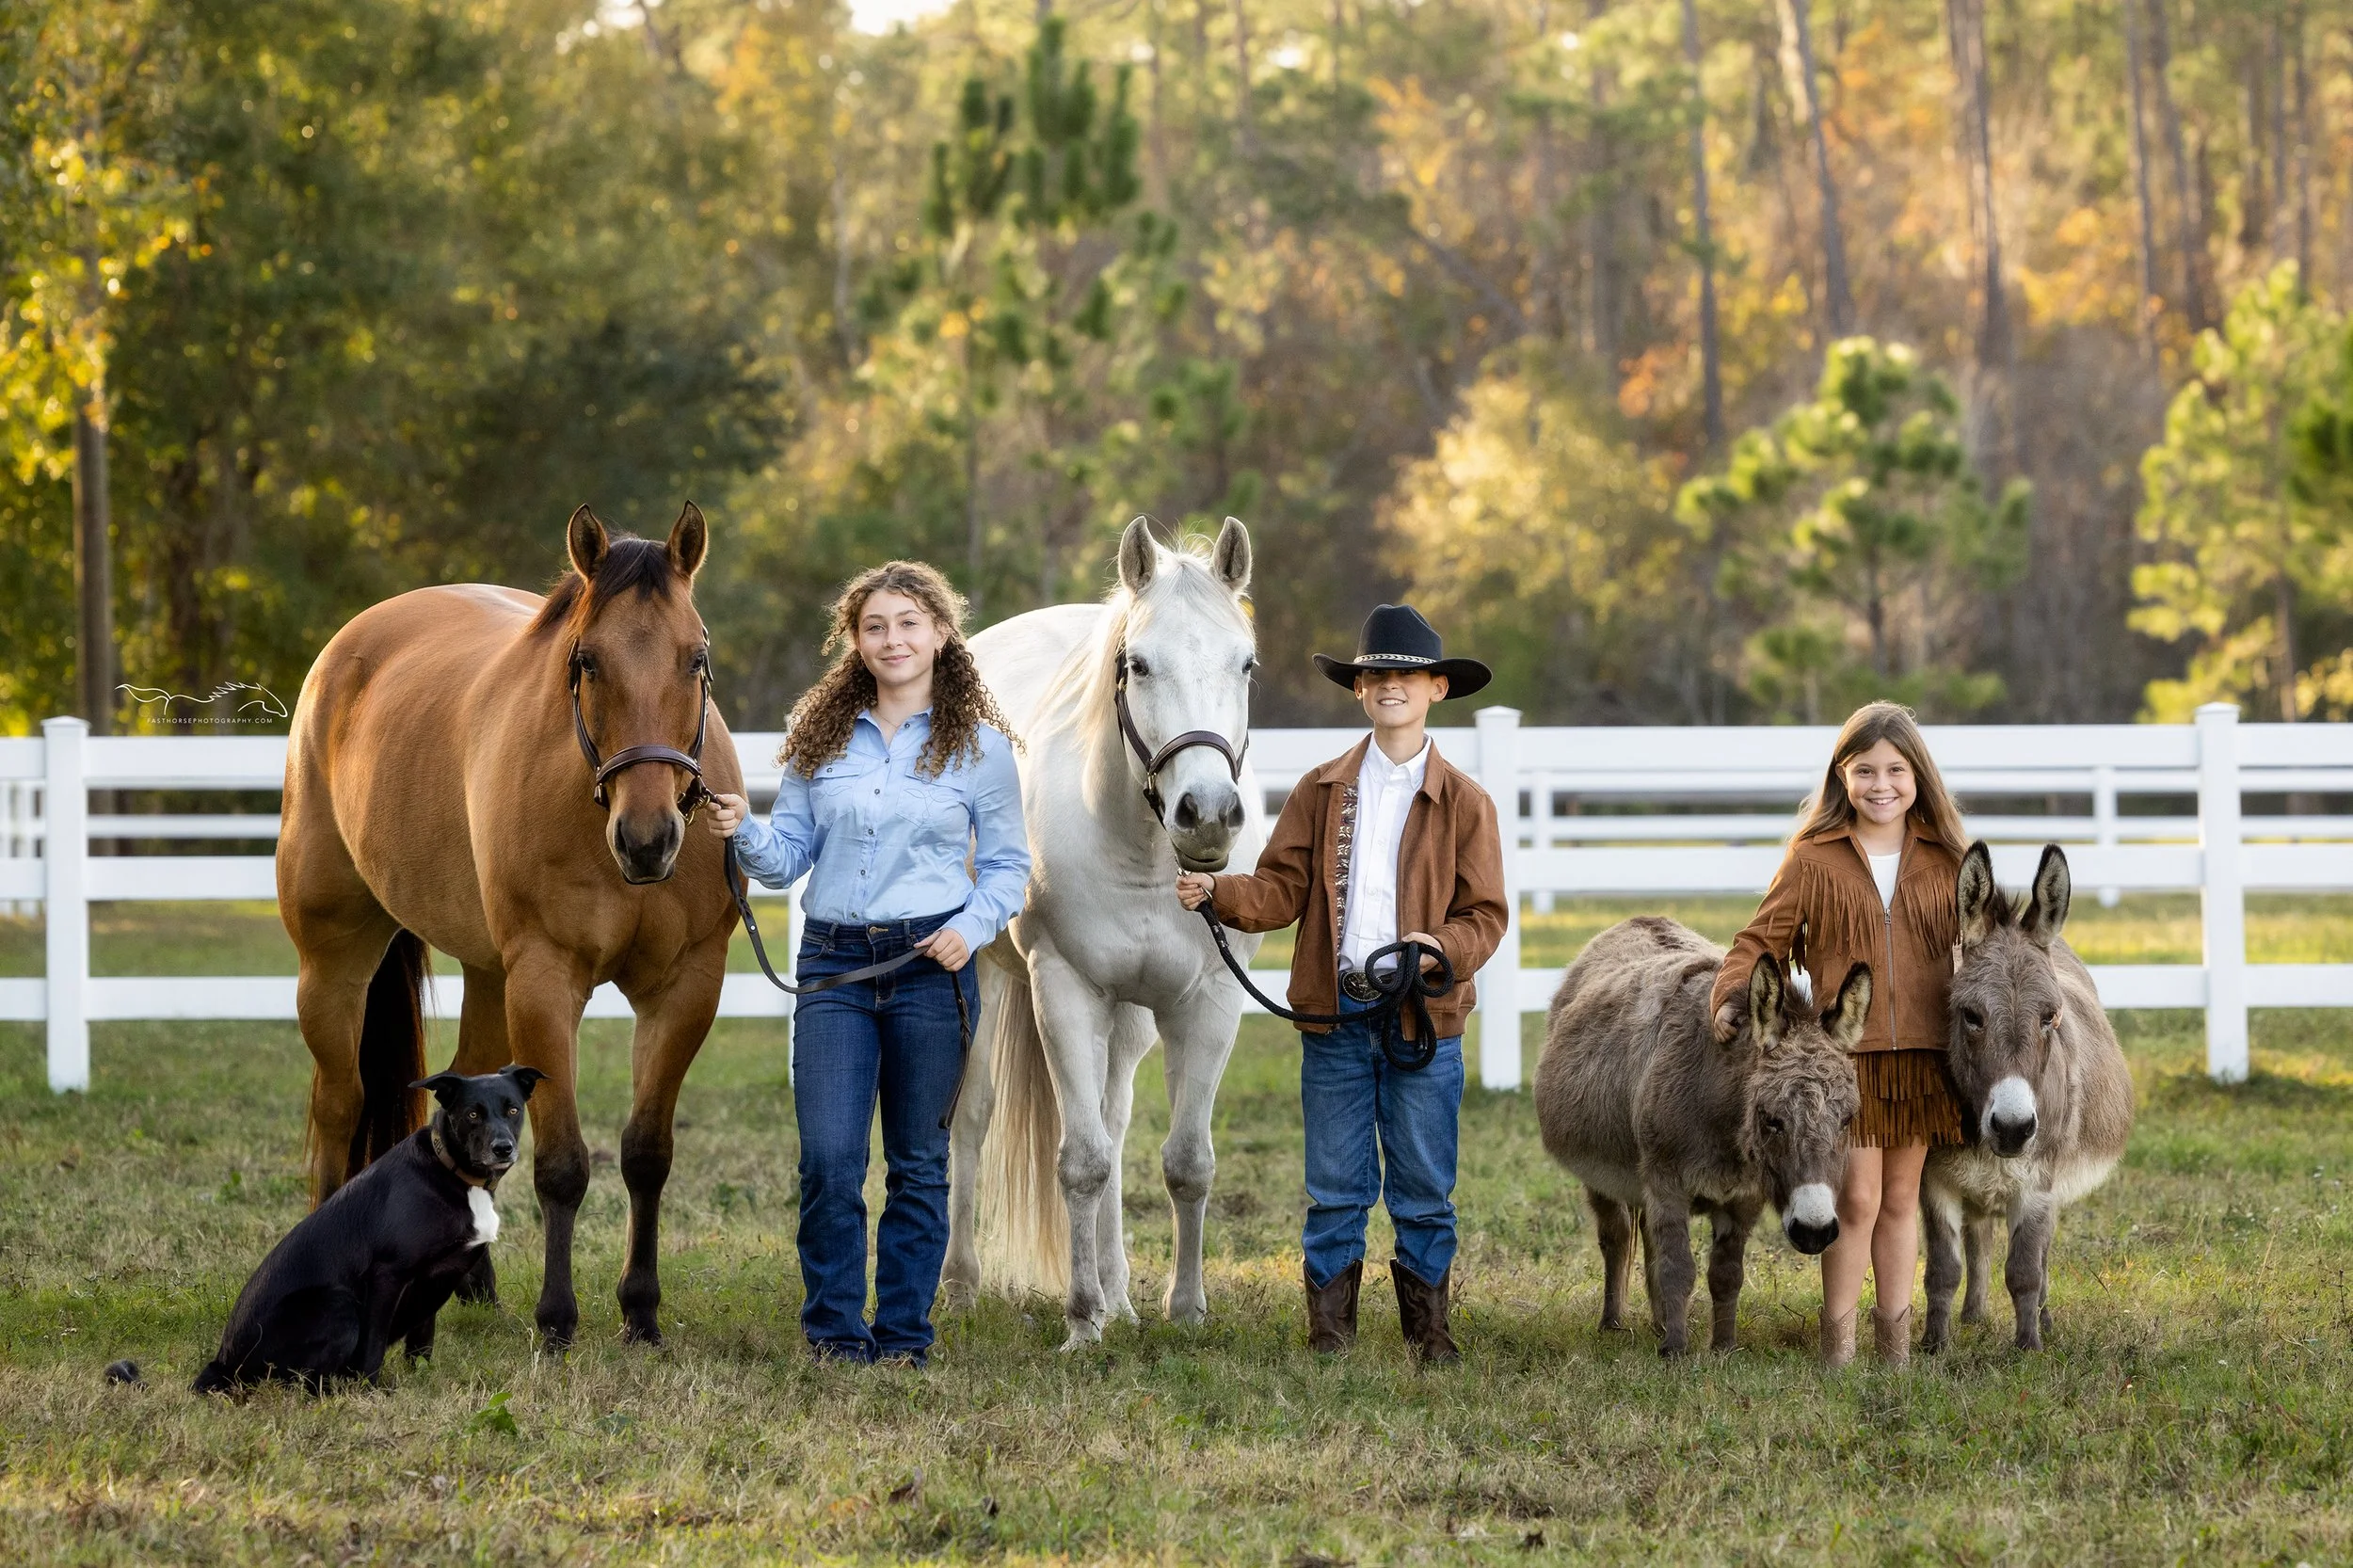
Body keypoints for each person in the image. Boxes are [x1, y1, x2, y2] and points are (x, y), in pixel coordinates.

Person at [706, 561, 1029, 1368]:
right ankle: (834, 1334)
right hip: (835, 969)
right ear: (854, 640)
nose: (893, 640)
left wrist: (973, 924)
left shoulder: (983, 751)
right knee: (829, 1161)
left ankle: (904, 1338)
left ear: (942, 635)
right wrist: (745, 827)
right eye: (877, 626)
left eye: (909, 624)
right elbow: (787, 862)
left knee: (919, 1166)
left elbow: (1008, 867)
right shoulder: (821, 739)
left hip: (932, 965)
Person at [1176, 604, 1506, 1364]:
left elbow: (1485, 914)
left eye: (1405, 677)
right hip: (1337, 1013)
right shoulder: (1321, 791)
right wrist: (1219, 893)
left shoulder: (1465, 803)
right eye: (1375, 676)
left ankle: (1430, 1333)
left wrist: (1439, 947)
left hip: (1423, 1018)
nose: (1389, 687)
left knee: (1423, 1184)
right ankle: (1330, 1335)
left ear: (1434, 690)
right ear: (1359, 691)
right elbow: (1281, 890)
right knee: (1335, 1184)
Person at [1708, 701, 1968, 1368]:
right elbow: (1758, 938)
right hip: (1838, 1069)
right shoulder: (1813, 860)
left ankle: (1896, 1346)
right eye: (1864, 771)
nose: (1881, 785)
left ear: (1919, 777)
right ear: (1840, 777)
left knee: (1902, 1200)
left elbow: (1990, 944)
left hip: (1921, 1058)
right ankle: (1838, 1348)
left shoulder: (1947, 858)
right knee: (1855, 1198)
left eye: (1896, 770)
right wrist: (1729, 995)